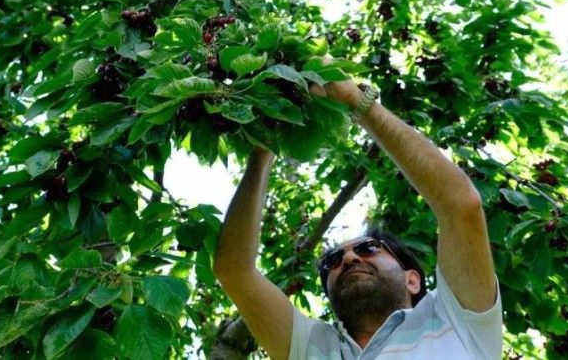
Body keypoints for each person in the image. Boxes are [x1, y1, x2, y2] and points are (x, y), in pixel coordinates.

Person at [212, 64, 503, 359]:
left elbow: (460, 205)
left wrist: (357, 102)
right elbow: (234, 270)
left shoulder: (454, 319)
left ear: (412, 280)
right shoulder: (314, 346)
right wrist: (265, 146)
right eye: (332, 262)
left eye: (369, 248)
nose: (349, 258)